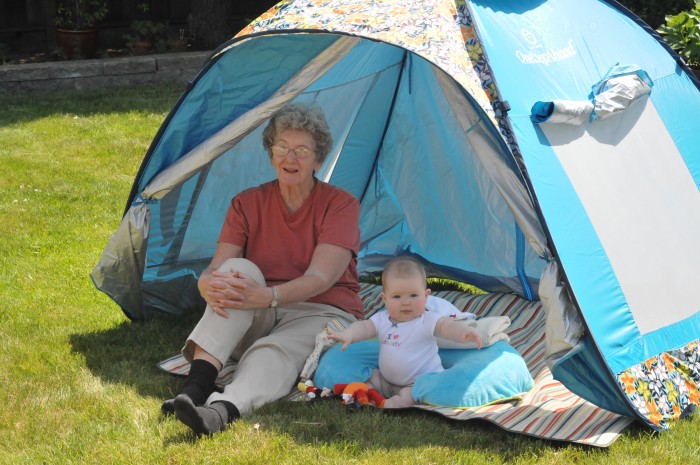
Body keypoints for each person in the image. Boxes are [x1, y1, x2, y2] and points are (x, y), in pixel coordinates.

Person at [162, 103, 364, 435]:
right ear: (270, 154)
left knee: (275, 352)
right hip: (258, 310)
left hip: (322, 311)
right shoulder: (247, 203)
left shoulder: (341, 205)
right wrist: (207, 285)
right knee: (235, 270)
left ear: (318, 159)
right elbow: (216, 269)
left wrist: (267, 297)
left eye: (301, 150)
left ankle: (220, 412)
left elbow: (320, 278)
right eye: (282, 147)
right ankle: (193, 389)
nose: (290, 158)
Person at [329, 256, 482, 408]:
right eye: (397, 296)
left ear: (426, 296)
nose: (406, 302)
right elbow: (364, 327)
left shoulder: (426, 320)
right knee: (370, 378)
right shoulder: (381, 319)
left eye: (413, 295)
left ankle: (386, 405)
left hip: (417, 382)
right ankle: (368, 394)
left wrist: (463, 332)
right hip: (386, 380)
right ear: (384, 298)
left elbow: (446, 327)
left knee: (411, 396)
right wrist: (349, 334)